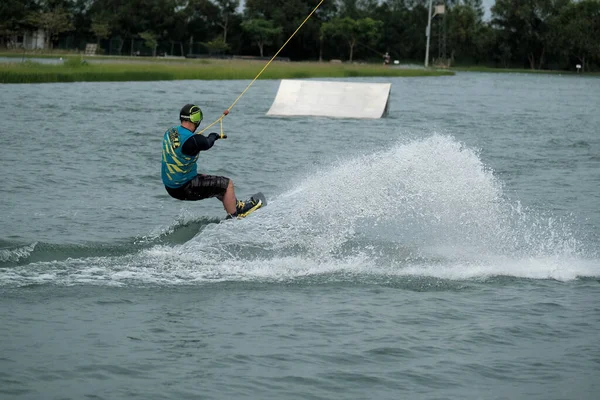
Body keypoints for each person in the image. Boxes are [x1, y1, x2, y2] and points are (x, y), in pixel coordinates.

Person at [161, 104, 262, 218]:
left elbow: (190, 141)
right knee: (227, 184)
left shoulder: (170, 132)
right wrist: (213, 136)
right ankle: (236, 217)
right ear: (196, 119)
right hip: (185, 187)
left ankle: (235, 205)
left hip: (171, 186)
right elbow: (207, 142)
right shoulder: (194, 140)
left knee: (216, 185)